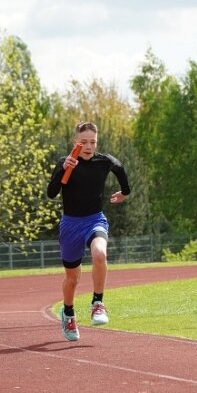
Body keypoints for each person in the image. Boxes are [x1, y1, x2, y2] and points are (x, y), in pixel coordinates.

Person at [47, 121, 131, 341]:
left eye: (92, 142)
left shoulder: (103, 162)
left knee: (100, 254)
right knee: (72, 278)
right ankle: (68, 313)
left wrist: (125, 192)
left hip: (95, 220)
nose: (88, 146)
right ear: (76, 142)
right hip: (70, 225)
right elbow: (51, 193)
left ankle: (98, 303)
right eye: (84, 142)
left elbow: (119, 168)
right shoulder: (65, 163)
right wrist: (63, 169)